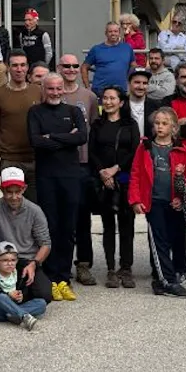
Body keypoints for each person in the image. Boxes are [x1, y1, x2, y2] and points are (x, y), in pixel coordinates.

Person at [28, 73, 86, 301]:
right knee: (49, 227)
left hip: (70, 177)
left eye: (58, 88)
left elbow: (81, 137)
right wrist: (65, 137)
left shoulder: (73, 111)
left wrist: (50, 136)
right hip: (46, 177)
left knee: (68, 228)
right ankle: (51, 277)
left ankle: (64, 278)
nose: (54, 92)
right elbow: (35, 141)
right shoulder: (35, 112)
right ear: (43, 89)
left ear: (64, 89)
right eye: (50, 89)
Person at [128, 108, 186, 298]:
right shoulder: (145, 147)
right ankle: (168, 280)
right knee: (159, 241)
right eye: (157, 123)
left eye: (165, 123)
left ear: (173, 128)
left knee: (176, 237)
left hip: (174, 202)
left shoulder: (181, 149)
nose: (160, 126)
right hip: (154, 201)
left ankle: (164, 277)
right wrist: (135, 199)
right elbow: (136, 173)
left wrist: (181, 198)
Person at [0, 168, 52, 312]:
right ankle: (11, 306)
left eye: (18, 191)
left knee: (45, 294)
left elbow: (45, 244)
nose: (14, 196)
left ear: (24, 189)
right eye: (9, 192)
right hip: (4, 258)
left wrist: (34, 264)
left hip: (27, 260)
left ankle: (7, 308)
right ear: (2, 190)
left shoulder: (35, 211)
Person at [89, 86, 138, 288]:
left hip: (125, 180)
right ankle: (110, 269)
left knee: (127, 226)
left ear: (121, 102)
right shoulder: (97, 125)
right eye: (105, 98)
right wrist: (103, 172)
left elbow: (135, 150)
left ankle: (126, 268)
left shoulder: (130, 124)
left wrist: (115, 169)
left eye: (112, 98)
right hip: (104, 182)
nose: (107, 102)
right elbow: (91, 151)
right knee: (108, 226)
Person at [59, 54, 99, 285]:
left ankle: (84, 264)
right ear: (59, 67)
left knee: (83, 218)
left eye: (76, 65)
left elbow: (94, 129)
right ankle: (60, 264)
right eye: (67, 66)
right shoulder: (52, 92)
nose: (72, 69)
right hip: (58, 164)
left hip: (82, 164)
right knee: (61, 218)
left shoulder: (89, 97)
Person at [0, 50, 41, 203]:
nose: (19, 69)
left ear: (27, 67)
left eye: (23, 65)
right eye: (15, 65)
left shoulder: (38, 92)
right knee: (11, 207)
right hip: (10, 159)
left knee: (35, 206)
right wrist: (5, 149)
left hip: (35, 159)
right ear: (7, 67)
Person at [0, 241, 48, 330]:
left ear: (17, 261)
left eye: (13, 260)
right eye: (5, 260)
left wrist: (20, 296)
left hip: (14, 307)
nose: (10, 263)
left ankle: (14, 315)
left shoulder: (16, 273)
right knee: (1, 297)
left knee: (41, 303)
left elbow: (22, 290)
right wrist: (8, 295)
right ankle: (24, 316)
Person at [84, 22, 135, 95]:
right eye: (110, 31)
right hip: (100, 91)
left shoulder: (127, 48)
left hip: (121, 90)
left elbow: (133, 65)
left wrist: (128, 80)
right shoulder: (96, 49)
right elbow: (84, 67)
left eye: (115, 31)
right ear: (106, 33)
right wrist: (87, 88)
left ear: (119, 33)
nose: (113, 33)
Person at [126, 67, 163, 138]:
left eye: (145, 83)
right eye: (137, 82)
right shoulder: (120, 105)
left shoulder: (157, 106)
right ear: (129, 83)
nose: (141, 87)